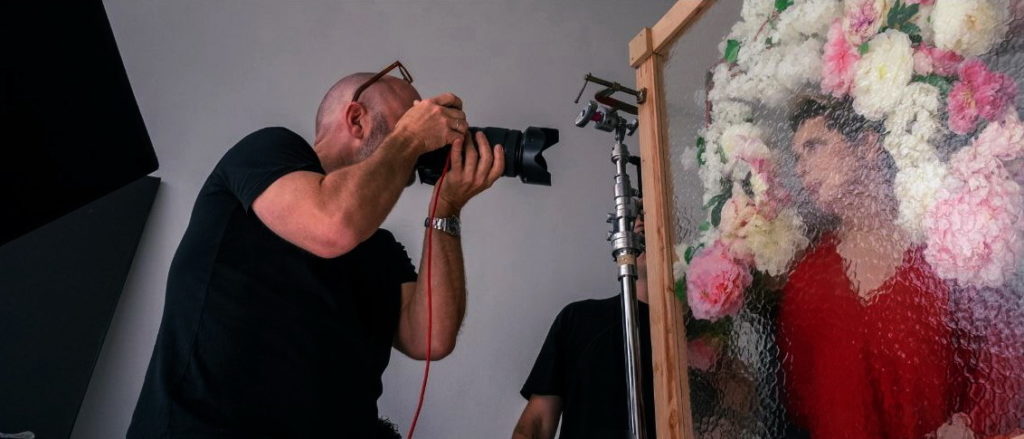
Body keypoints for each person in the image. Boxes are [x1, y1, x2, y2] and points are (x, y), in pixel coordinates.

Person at [128, 61, 504, 438]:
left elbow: (430, 338)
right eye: (411, 118)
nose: (427, 135)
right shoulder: (267, 152)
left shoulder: (381, 250)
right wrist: (409, 139)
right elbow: (332, 225)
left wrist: (446, 209)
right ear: (356, 119)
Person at [778, 97, 1022, 438]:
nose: (801, 168)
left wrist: (970, 424)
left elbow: (1003, 359)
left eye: (814, 146)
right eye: (798, 157)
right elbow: (802, 403)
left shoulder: (945, 249)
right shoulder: (805, 282)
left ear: (867, 146)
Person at [511, 213, 656, 439]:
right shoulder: (578, 320)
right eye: (638, 218)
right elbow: (535, 425)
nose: (642, 221)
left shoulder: (701, 338)